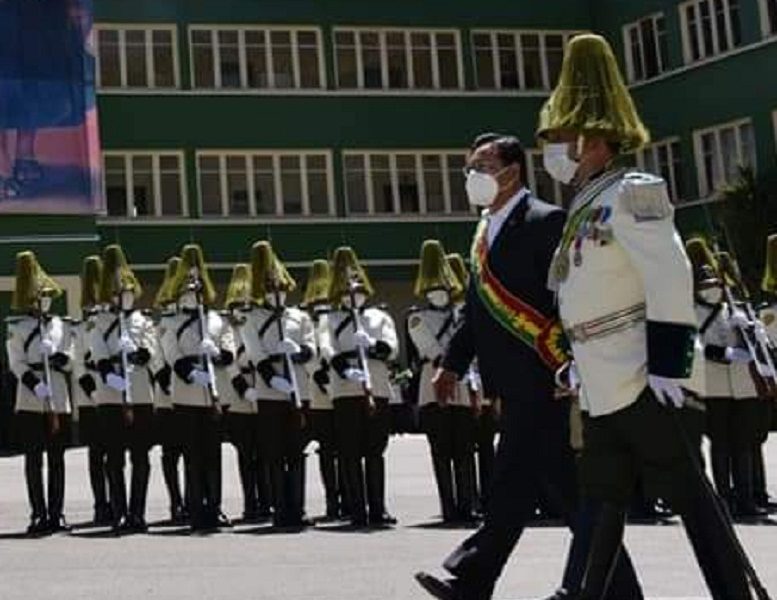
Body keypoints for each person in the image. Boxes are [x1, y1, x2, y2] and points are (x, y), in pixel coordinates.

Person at [537, 33, 755, 599]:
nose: (554, 150)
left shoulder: (634, 193)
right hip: (603, 380)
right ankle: (582, 595)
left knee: (691, 499)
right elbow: (586, 294)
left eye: (560, 138)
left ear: (590, 139)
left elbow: (669, 277)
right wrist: (577, 363)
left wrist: (668, 364)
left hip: (644, 377)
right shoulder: (582, 205)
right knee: (602, 494)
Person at [414, 129, 642, 600]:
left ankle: (472, 579)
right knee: (556, 490)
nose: (471, 177)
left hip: (543, 377)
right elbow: (476, 311)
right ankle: (616, 589)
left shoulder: (545, 221)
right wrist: (452, 364)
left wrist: (571, 364)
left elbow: (569, 298)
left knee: (512, 483)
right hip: (510, 383)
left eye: (480, 167)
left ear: (511, 171)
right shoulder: (483, 230)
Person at [320, 246, 399, 528]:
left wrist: (374, 346)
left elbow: (392, 348)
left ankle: (378, 507)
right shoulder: (330, 320)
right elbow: (326, 349)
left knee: (375, 451)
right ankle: (357, 509)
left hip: (376, 387)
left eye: (358, 290)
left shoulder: (379, 318)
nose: (354, 295)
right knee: (350, 453)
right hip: (346, 389)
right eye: (347, 291)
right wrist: (346, 368)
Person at [239, 241, 314, 529]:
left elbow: (312, 349)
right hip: (272, 393)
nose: (278, 294)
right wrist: (275, 379)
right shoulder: (252, 319)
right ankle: (280, 507)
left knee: (297, 451)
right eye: (272, 290)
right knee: (273, 452)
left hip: (299, 390)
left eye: (281, 289)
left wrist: (296, 351)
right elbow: (256, 354)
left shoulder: (299, 317)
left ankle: (298, 507)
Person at [90, 244, 162, 533]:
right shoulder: (100, 323)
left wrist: (137, 353)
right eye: (123, 292)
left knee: (141, 457)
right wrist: (112, 376)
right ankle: (119, 510)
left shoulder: (142, 321)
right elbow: (97, 356)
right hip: (111, 396)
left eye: (131, 292)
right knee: (115, 458)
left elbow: (153, 352)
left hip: (141, 394)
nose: (128, 297)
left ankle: (138, 511)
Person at [161, 244, 232, 533]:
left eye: (196, 290)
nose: (193, 295)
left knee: (213, 455)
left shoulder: (216, 320)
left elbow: (229, 353)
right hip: (188, 396)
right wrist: (194, 374)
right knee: (192, 456)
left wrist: (215, 353)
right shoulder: (172, 322)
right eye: (188, 291)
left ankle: (214, 506)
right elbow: (172, 356)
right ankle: (195, 508)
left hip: (213, 397)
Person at [407, 240, 477, 524]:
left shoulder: (462, 315)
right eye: (433, 290)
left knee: (465, 449)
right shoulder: (417, 318)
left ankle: (468, 503)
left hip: (460, 387)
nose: (438, 294)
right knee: (441, 451)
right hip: (432, 388)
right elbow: (430, 350)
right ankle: (448, 506)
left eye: (443, 289)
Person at [6, 251, 73, 535]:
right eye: (41, 294)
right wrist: (35, 384)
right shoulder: (18, 328)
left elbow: (71, 357)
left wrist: (57, 357)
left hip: (57, 395)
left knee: (57, 459)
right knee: (35, 460)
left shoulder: (61, 325)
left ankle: (57, 512)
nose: (46, 299)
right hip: (31, 397)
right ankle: (38, 512)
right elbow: (16, 363)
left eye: (48, 294)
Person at [447, 251, 495, 516]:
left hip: (485, 386)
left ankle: (490, 498)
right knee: (466, 448)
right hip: (466, 389)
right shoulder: (459, 318)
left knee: (487, 448)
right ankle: (470, 500)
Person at [219, 263, 264, 523]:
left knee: (266, 452)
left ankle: (267, 499)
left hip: (263, 389)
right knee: (246, 454)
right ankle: (251, 503)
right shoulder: (229, 329)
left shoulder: (258, 323)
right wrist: (243, 389)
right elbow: (229, 363)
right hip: (239, 397)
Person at [303, 258, 347, 521]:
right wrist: (320, 378)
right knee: (328, 448)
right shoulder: (309, 323)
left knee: (346, 448)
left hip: (341, 387)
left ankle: (348, 495)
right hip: (320, 392)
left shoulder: (335, 319)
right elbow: (309, 356)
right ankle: (333, 499)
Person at [72, 254, 111, 525]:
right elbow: (79, 366)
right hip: (91, 397)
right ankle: (101, 504)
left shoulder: (109, 322)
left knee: (115, 455)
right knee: (97, 456)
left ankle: (115, 502)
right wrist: (94, 394)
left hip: (111, 393)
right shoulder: (82, 327)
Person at [153, 256, 188, 525]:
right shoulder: (164, 321)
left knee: (190, 453)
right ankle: (175, 500)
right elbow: (156, 356)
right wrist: (163, 375)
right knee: (171, 454)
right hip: (167, 398)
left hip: (186, 394)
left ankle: (190, 498)